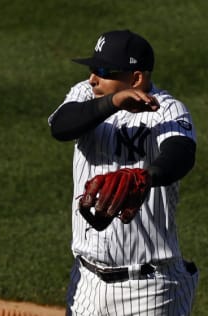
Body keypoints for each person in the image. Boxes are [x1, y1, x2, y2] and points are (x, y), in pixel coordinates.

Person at [48, 30, 198, 315]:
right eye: (93, 69)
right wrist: (114, 101)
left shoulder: (167, 110)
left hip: (150, 290)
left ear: (137, 78)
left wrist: (146, 177)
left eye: (104, 71)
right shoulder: (85, 92)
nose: (93, 78)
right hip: (86, 284)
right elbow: (61, 127)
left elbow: (181, 154)